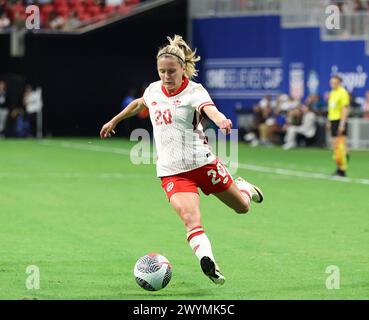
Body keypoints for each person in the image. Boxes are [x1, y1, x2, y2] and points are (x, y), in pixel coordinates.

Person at [100, 35, 264, 285]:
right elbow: (139, 104)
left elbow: (210, 109)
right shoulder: (154, 89)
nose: (166, 76)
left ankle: (244, 188)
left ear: (182, 69)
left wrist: (220, 120)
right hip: (173, 171)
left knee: (242, 207)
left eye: (171, 71)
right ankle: (208, 262)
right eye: (162, 71)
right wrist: (115, 120)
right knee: (191, 219)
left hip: (203, 163)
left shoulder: (194, 91)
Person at [327, 75, 350, 177]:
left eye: (335, 82)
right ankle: (338, 167)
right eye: (331, 82)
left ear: (339, 83)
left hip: (339, 120)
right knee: (334, 145)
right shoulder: (332, 93)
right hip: (333, 120)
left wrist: (342, 124)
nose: (333, 84)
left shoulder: (343, 92)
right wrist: (328, 120)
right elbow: (331, 109)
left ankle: (342, 169)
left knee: (340, 145)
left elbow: (344, 109)